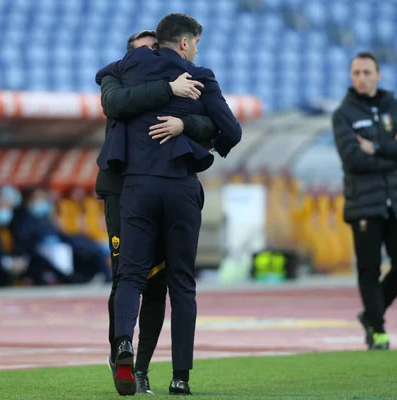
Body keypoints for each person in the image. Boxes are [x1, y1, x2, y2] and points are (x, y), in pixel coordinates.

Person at [96, 13, 242, 395]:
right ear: (183, 43)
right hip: (180, 187)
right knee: (180, 284)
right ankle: (180, 378)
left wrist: (184, 125)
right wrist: (177, 101)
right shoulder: (198, 76)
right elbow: (231, 131)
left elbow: (105, 78)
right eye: (195, 42)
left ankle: (123, 344)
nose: (195, 49)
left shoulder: (125, 68)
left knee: (129, 276)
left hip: (137, 188)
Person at [332, 52, 397, 350]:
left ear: (378, 74)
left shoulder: (395, 108)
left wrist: (379, 147)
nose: (361, 77)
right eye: (356, 72)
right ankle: (379, 330)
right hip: (364, 205)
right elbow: (353, 159)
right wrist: (393, 153)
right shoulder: (343, 114)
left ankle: (371, 315)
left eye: (367, 72)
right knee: (369, 268)